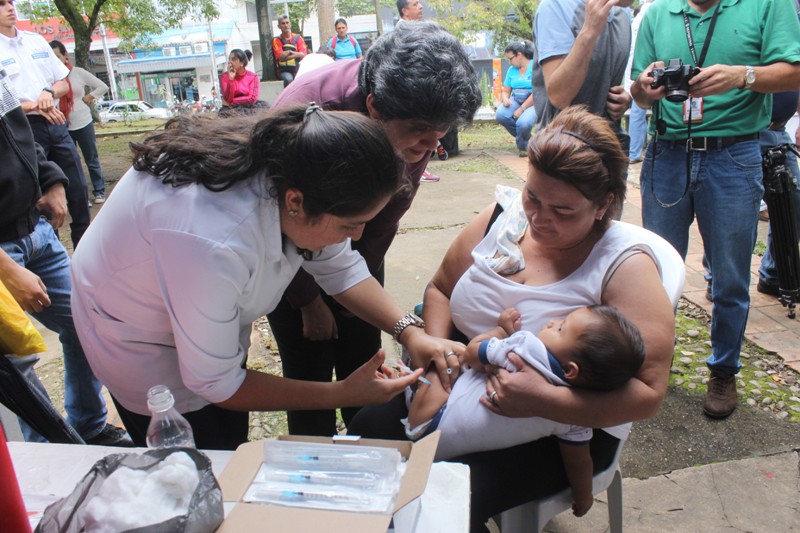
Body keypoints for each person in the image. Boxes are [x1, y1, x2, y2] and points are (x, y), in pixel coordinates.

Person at [349, 106, 676, 531]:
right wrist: (434, 352)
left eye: (563, 211)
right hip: (459, 376)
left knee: (436, 503)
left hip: (559, 426)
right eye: (533, 197)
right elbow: (441, 289)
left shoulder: (622, 264)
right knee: (363, 439)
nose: (539, 219)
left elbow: (648, 394)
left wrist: (543, 401)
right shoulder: (503, 217)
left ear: (604, 205)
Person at [70, 104, 464, 451]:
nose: (358, 236)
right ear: (295, 202)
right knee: (196, 460)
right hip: (134, 334)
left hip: (186, 297)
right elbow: (218, 384)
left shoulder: (303, 180)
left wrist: (410, 332)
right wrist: (341, 393)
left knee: (229, 441)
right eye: (350, 224)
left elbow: (340, 266)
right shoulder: (214, 239)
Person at [266, 21, 481, 437]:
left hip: (354, 264)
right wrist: (309, 300)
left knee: (364, 362)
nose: (427, 148)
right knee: (308, 374)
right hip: (288, 264)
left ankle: (365, 445)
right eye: (419, 135)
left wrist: (390, 317)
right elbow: (281, 231)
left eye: (439, 136)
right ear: (374, 108)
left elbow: (379, 225)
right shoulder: (304, 115)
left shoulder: (418, 124)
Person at [631, 0, 800, 419]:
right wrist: (643, 88)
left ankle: (724, 370)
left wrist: (742, 76)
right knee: (654, 271)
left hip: (735, 154)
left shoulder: (768, 5)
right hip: (667, 154)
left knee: (729, 276)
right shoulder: (658, 13)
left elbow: (794, 71)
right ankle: (653, 364)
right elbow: (637, 93)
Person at [0, 67, 131, 447]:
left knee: (86, 318)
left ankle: (89, 426)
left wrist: (52, 180)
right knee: (14, 362)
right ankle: (49, 450)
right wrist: (6, 269)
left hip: (34, 229)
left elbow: (19, 138)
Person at [402, 305, 644, 461]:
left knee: (447, 357)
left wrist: (500, 331)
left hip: (425, 419)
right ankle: (411, 377)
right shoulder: (576, 415)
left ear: (571, 370)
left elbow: (473, 355)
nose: (551, 322)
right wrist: (583, 496)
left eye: (561, 328)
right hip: (443, 452)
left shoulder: (525, 349)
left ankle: (412, 366)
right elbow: (578, 459)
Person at [0, 0, 91, 248]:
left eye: (10, 2)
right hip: (22, 131)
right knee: (39, 196)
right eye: (1, 4)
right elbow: (3, 105)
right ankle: (51, 251)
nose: (9, 8)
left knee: (78, 191)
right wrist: (37, 104)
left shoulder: (35, 41)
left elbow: (64, 82)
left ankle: (83, 251)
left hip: (55, 125)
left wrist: (48, 93)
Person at [532, 0, 633, 151]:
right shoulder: (555, 7)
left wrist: (624, 100)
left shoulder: (623, 14)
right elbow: (559, 96)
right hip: (563, 153)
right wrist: (590, 30)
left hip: (609, 150)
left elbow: (607, 79)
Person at [48, 39, 109, 205]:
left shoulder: (78, 73)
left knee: (91, 158)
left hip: (83, 122)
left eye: (57, 56)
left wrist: (89, 97)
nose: (55, 61)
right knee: (70, 163)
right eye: (50, 58)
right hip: (61, 126)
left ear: (65, 56)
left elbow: (102, 86)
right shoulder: (48, 78)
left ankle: (99, 191)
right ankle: (79, 196)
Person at [757, 91, 800, 297]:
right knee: (735, 213)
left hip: (779, 130)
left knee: (793, 201)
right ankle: (716, 280)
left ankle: (773, 274)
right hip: (743, 133)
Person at [495, 41, 537, 157]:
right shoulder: (512, 70)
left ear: (519, 55)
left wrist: (522, 109)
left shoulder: (536, 66)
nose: (509, 62)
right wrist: (505, 99)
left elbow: (537, 92)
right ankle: (527, 140)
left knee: (523, 123)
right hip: (516, 99)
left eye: (510, 58)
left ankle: (524, 147)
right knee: (501, 114)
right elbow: (506, 90)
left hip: (533, 102)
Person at [218, 49, 262, 117]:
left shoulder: (253, 77)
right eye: (229, 59)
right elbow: (227, 98)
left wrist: (232, 102)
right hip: (230, 109)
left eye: (233, 59)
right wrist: (231, 79)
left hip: (249, 107)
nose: (230, 62)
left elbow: (252, 98)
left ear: (242, 63)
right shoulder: (224, 76)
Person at [272, 15, 307, 87]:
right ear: (279, 26)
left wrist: (290, 52)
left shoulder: (298, 38)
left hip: (298, 69)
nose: (286, 25)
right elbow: (281, 57)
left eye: (287, 23)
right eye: (283, 23)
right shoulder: (276, 40)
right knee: (289, 80)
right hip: (284, 71)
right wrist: (297, 54)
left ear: (290, 24)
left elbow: (303, 54)